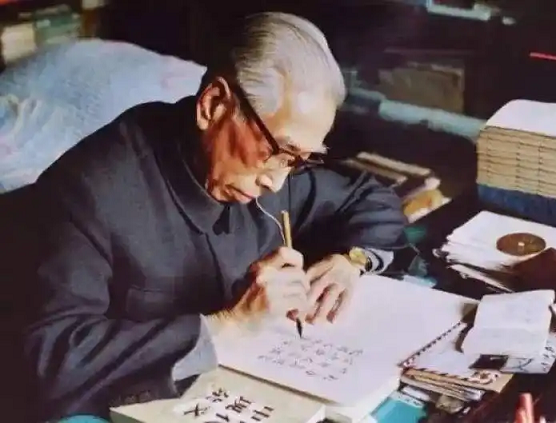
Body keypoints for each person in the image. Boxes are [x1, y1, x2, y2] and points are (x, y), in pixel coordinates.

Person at [23, 12, 407, 422]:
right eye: (279, 152)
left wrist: (350, 261)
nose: (277, 183)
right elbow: (50, 356)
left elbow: (370, 198)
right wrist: (228, 326)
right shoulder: (90, 190)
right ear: (214, 106)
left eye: (300, 160)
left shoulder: (272, 165)